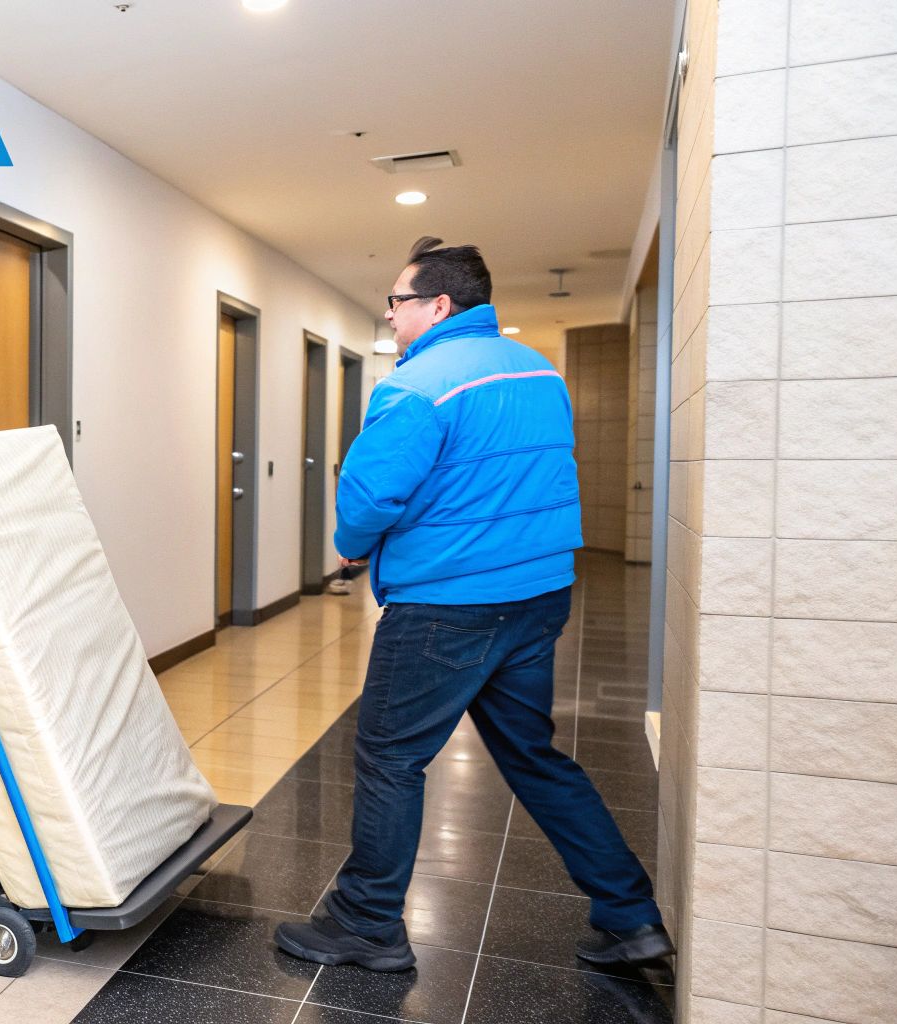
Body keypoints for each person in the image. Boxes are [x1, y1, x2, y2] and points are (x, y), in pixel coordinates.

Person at [273, 239, 673, 971]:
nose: (390, 315)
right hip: (537, 595)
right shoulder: (539, 373)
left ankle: (366, 923)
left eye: (398, 301)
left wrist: (351, 545)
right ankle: (629, 913)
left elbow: (369, 494)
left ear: (439, 306)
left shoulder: (417, 386)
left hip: (447, 606)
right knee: (533, 755)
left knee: (390, 756)